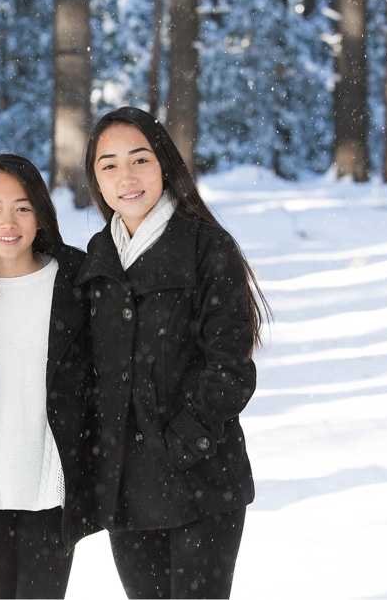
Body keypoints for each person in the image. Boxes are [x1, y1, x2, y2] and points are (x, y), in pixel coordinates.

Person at [75, 107, 270, 599]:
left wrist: (184, 442)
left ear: (164, 163)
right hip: (127, 488)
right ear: (96, 179)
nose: (126, 177)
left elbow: (230, 365)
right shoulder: (96, 259)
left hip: (202, 480)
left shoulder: (207, 247)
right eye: (109, 165)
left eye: (139, 160)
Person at [0, 154, 98, 599]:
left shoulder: (74, 281)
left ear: (41, 214)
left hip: (51, 488)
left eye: (22, 207)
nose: (8, 221)